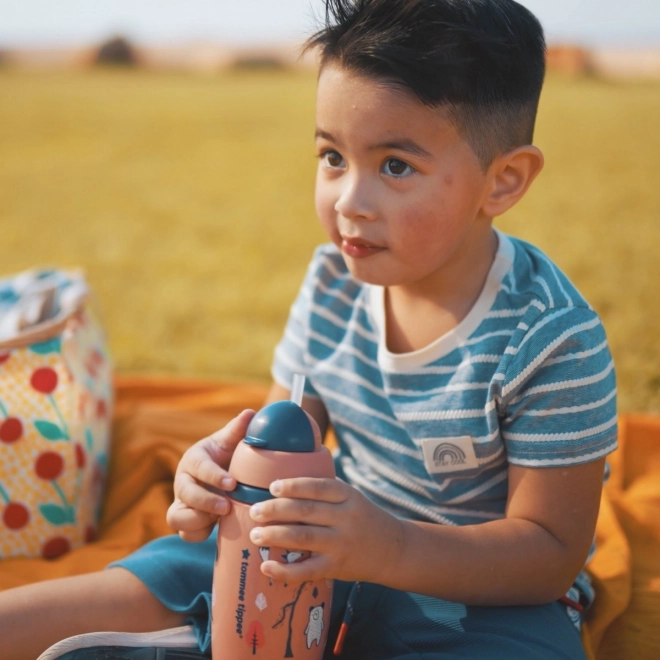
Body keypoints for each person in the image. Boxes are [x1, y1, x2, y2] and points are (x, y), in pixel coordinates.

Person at [0, 1, 618, 658]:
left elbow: (549, 553)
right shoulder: (332, 281)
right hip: (310, 550)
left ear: (503, 181)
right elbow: (282, 431)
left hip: (477, 597)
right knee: (51, 613)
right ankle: (183, 634)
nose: (348, 201)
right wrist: (220, 481)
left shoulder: (553, 340)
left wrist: (390, 547)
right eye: (332, 156)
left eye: (395, 166)